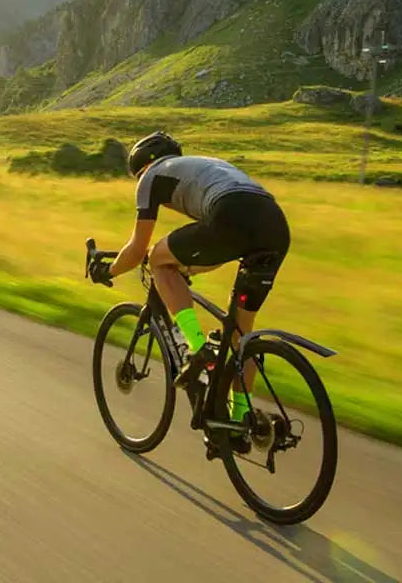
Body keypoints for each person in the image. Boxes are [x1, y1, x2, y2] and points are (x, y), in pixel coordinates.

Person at [86, 131, 290, 429]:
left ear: (142, 165)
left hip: (230, 214)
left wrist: (107, 271)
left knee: (157, 258)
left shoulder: (150, 177)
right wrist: (186, 268)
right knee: (240, 338)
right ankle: (239, 422)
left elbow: (138, 248)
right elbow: (220, 248)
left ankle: (196, 348)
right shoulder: (203, 166)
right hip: (273, 224)